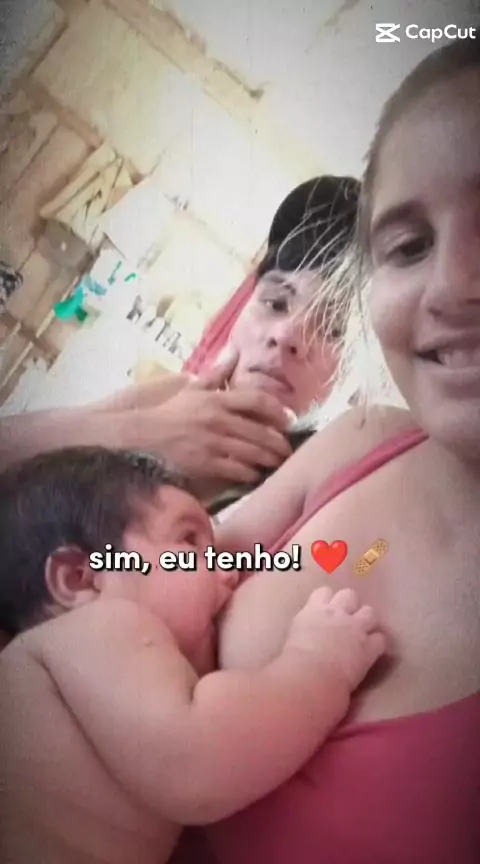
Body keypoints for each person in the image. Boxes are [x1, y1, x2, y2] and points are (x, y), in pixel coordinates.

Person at [174, 32, 480, 864]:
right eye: (409, 245)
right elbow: (174, 562)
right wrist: (102, 519)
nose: (451, 285)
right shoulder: (362, 440)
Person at [0, 446, 384, 864]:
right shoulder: (94, 628)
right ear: (81, 578)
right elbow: (200, 762)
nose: (229, 570)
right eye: (190, 541)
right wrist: (318, 663)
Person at [0, 176, 359, 503]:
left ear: (351, 374)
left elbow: (371, 554)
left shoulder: (325, 496)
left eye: (332, 329)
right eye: (276, 303)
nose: (285, 336)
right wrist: (138, 432)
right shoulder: (168, 397)